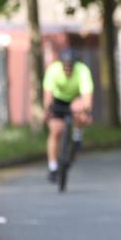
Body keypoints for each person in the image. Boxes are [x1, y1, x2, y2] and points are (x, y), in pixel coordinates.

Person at [43, 48, 94, 182]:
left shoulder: (83, 71)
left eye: (70, 67)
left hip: (75, 99)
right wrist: (47, 111)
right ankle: (53, 167)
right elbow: (48, 96)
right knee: (55, 131)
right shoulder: (53, 71)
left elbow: (87, 99)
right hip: (58, 100)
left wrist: (86, 113)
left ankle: (78, 134)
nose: (67, 70)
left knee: (79, 112)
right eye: (65, 67)